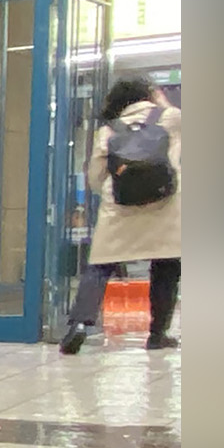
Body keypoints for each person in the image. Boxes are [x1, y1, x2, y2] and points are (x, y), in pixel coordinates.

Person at [63, 75, 182, 354]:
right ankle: (157, 334)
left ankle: (79, 324)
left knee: (100, 265)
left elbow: (94, 177)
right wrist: (161, 102)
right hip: (164, 207)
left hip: (119, 209)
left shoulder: (109, 131)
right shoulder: (171, 117)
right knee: (166, 266)